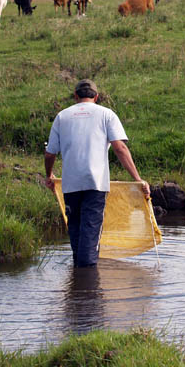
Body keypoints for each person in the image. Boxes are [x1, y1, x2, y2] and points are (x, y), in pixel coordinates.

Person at [45, 79, 150, 268]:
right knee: (91, 231)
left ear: (76, 96)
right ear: (97, 97)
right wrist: (138, 179)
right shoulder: (106, 114)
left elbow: (49, 153)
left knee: (75, 230)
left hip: (70, 185)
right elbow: (120, 148)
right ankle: (88, 287)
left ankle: (78, 282)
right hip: (96, 185)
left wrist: (49, 175)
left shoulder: (62, 116)